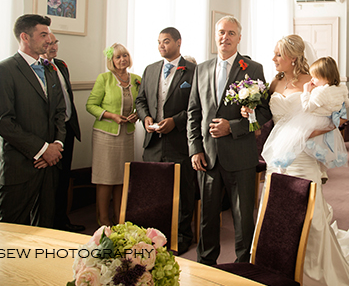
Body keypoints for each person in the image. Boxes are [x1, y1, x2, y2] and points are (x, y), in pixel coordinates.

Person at [258, 34, 349, 286]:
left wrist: (302, 134)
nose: (273, 58)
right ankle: (276, 265)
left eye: (278, 54)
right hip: (278, 157)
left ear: (293, 58)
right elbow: (266, 116)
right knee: (275, 209)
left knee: (308, 211)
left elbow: (335, 120)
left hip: (303, 156)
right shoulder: (274, 82)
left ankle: (312, 270)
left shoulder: (312, 82)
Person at [187, 16, 271, 265]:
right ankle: (206, 263)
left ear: (239, 38)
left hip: (240, 155)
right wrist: (195, 149)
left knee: (243, 216)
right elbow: (194, 112)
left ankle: (244, 264)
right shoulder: (201, 69)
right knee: (207, 216)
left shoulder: (252, 68)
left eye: (231, 33)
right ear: (215, 36)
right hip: (207, 156)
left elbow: (263, 112)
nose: (225, 37)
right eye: (221, 32)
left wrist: (232, 127)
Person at [0, 14, 65, 227]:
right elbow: (3, 122)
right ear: (25, 37)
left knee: (46, 228)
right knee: (11, 230)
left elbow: (60, 111)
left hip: (50, 166)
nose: (49, 40)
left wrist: (56, 146)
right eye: (43, 35)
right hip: (20, 167)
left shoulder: (49, 69)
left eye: (48, 34)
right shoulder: (3, 71)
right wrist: (42, 150)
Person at [135, 27, 197, 253]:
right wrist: (145, 117)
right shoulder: (150, 69)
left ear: (179, 42)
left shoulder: (193, 71)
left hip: (179, 142)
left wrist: (176, 121)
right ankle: (156, 237)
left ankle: (181, 237)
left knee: (182, 192)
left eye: (167, 41)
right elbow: (140, 100)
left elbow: (198, 106)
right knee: (155, 191)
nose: (162, 45)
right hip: (153, 142)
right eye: (159, 41)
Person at [86, 43, 141, 227]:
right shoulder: (104, 78)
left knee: (122, 178)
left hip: (127, 135)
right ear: (111, 60)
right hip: (105, 135)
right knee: (105, 178)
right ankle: (103, 219)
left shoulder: (137, 79)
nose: (122, 59)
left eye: (125, 55)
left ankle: (119, 217)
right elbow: (91, 105)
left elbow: (141, 104)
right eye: (118, 57)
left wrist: (137, 114)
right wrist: (112, 116)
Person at [263, 55, 349, 170]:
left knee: (295, 141)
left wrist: (306, 91)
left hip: (311, 121)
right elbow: (346, 104)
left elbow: (307, 107)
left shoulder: (318, 90)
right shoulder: (340, 88)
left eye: (279, 55)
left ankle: (284, 160)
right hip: (315, 121)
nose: (312, 79)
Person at [42, 33, 85, 232]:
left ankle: (62, 221)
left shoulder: (61, 65)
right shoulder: (38, 68)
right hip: (50, 134)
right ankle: (49, 225)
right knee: (49, 182)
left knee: (63, 179)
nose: (53, 47)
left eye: (55, 43)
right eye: (49, 43)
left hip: (68, 129)